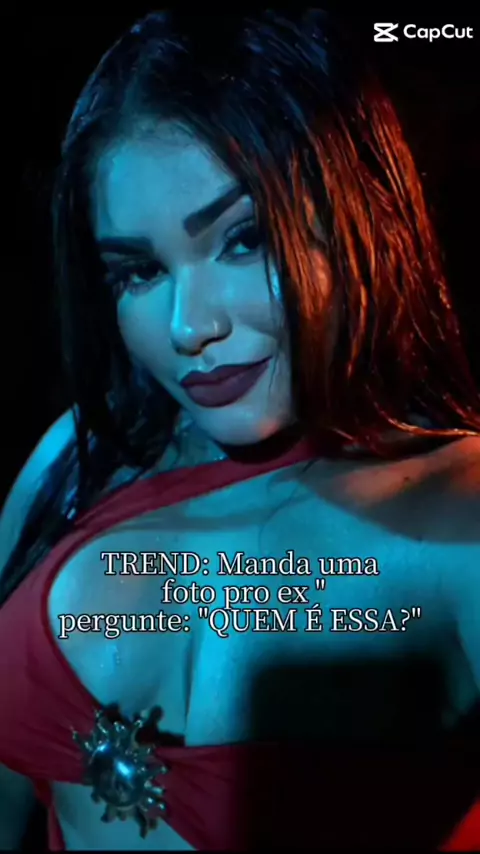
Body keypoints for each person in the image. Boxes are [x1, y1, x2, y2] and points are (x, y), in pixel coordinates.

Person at [0, 10, 478, 851]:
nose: (190, 327)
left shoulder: (464, 514)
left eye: (243, 239)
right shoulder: (71, 461)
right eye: (139, 271)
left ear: (361, 209)